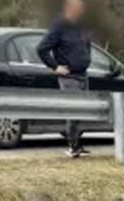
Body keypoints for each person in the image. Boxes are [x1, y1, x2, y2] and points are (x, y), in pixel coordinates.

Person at [38, 0, 93, 158]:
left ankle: (78, 144)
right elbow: (42, 49)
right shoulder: (59, 27)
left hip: (83, 74)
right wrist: (55, 67)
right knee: (73, 111)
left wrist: (86, 58)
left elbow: (87, 45)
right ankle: (72, 146)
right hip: (69, 76)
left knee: (82, 112)